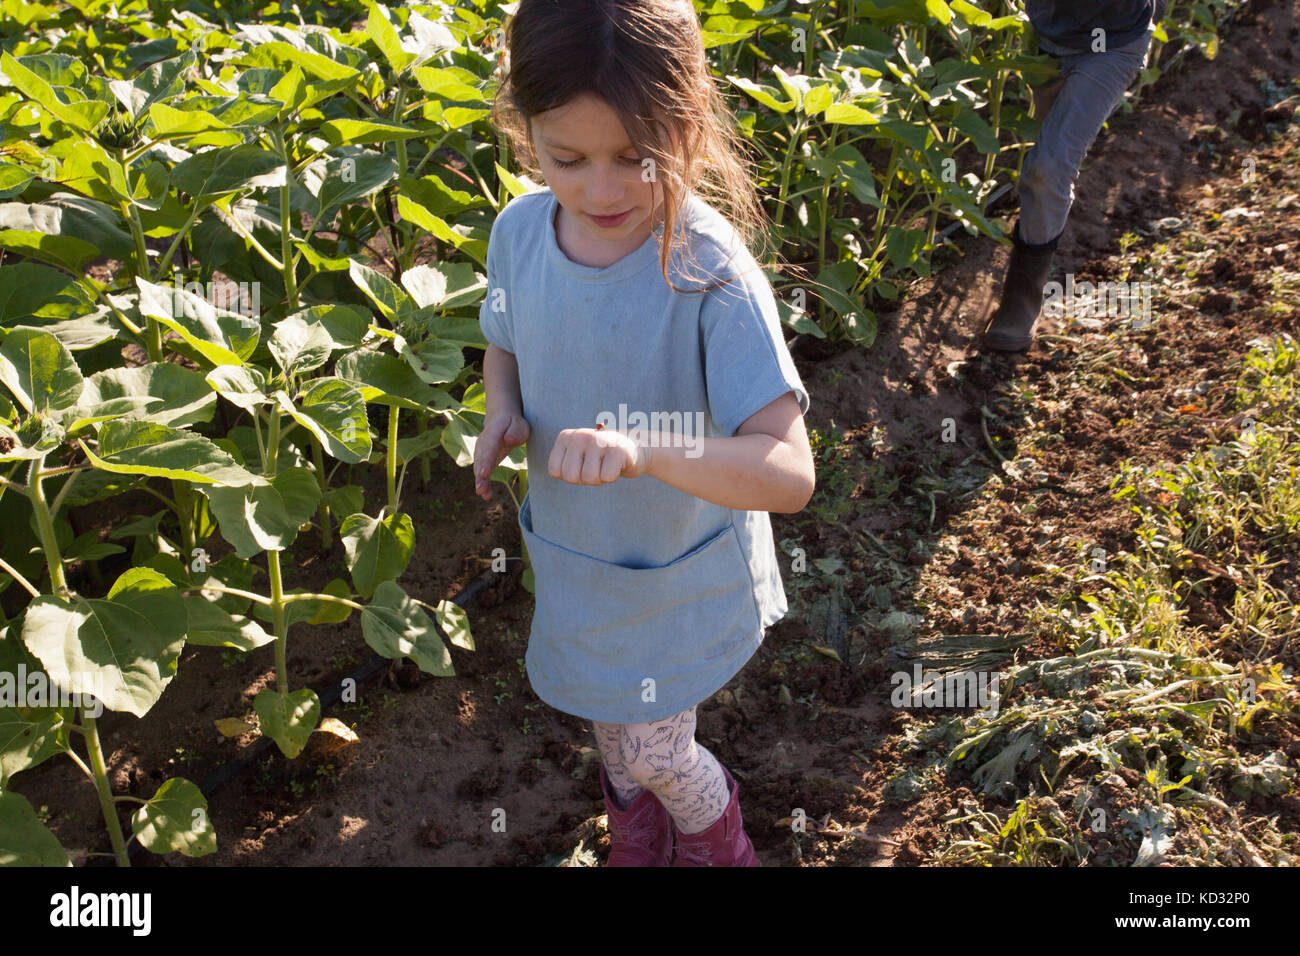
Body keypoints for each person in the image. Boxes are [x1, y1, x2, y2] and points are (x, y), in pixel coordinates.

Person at [472, 0, 814, 867]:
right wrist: (500, 409)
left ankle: (715, 839)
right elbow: (504, 340)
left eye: (636, 156)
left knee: (655, 745)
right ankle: (639, 830)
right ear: (526, 134)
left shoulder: (707, 270)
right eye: (568, 158)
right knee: (613, 722)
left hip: (674, 570)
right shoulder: (519, 232)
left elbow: (787, 472)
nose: (600, 189)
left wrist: (646, 449)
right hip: (580, 555)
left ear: (689, 122)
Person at [982, 0, 1166, 351]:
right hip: (1042, 37)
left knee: (1048, 168)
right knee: (1047, 148)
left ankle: (1022, 300)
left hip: (1112, 45)